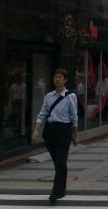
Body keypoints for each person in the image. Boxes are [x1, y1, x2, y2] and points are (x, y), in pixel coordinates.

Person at [32, 68, 78, 205]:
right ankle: (62, 189)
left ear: (65, 80)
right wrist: (36, 130)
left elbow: (74, 117)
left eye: (59, 77)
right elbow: (42, 114)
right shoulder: (48, 96)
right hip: (50, 132)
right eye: (55, 77)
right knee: (59, 164)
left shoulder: (71, 96)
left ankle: (54, 193)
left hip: (64, 131)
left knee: (60, 162)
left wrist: (76, 135)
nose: (56, 79)